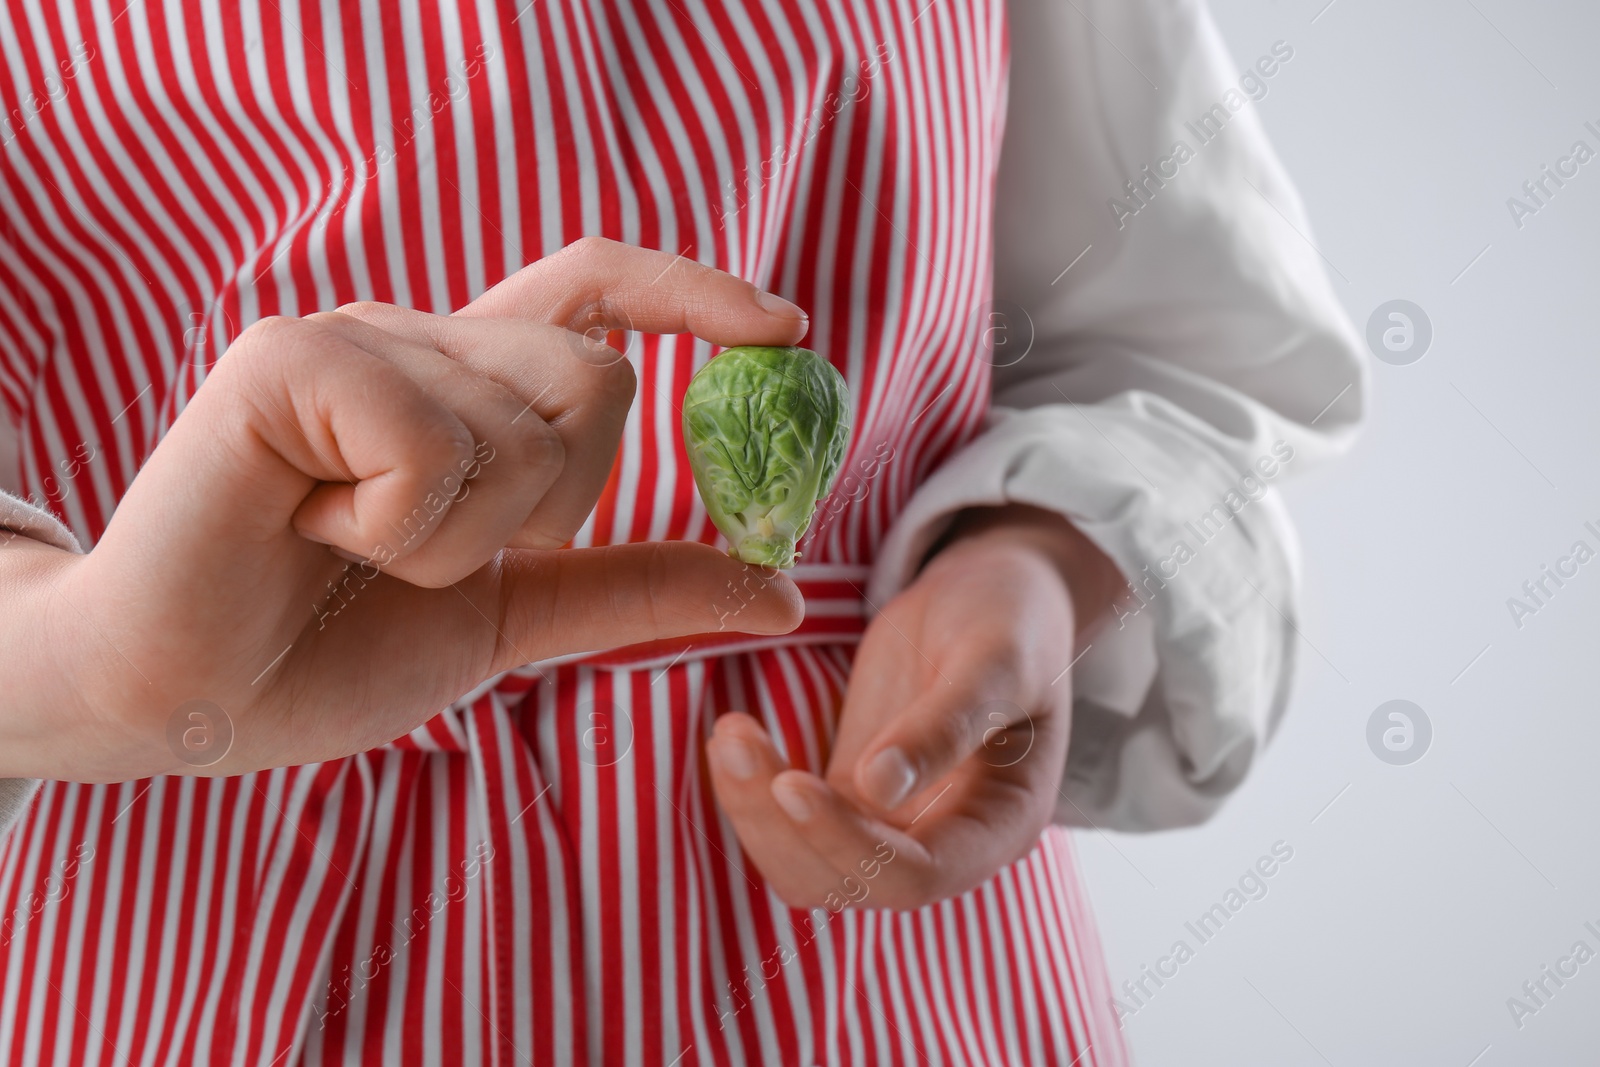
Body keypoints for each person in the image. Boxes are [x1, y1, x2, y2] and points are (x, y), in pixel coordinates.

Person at [0, 0, 1364, 1063]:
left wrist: (1033, 558)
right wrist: (78, 662)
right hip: (176, 904)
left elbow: (1194, 358)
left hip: (877, 941)